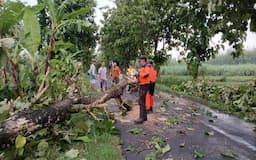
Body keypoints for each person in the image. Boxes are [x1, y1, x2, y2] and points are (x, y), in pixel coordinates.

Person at [135, 56, 151, 124]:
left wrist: (139, 74)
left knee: (141, 101)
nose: (140, 62)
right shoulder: (143, 68)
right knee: (142, 101)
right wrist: (137, 76)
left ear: (143, 61)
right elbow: (141, 76)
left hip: (144, 85)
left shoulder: (146, 67)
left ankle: (141, 118)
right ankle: (144, 117)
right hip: (142, 84)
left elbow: (146, 75)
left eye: (140, 61)